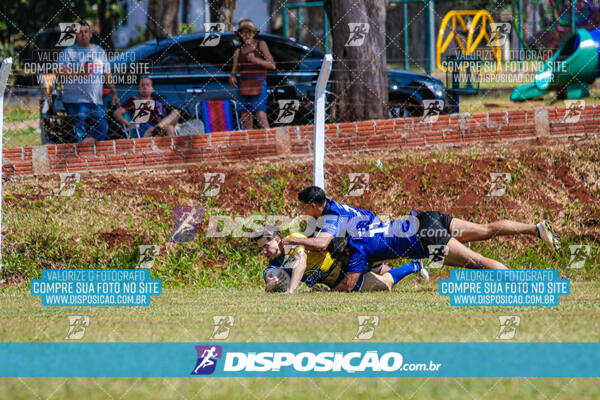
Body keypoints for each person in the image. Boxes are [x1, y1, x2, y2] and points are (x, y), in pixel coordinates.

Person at [283, 186, 561, 273]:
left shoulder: (331, 217)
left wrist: (290, 240)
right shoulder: (345, 208)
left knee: (475, 262)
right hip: (426, 218)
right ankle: (535, 228)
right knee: (487, 230)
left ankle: (517, 285)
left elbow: (321, 245)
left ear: (314, 205)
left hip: (419, 235)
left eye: (303, 208)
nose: (302, 212)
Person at [256, 226, 428, 293]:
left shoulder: (292, 240)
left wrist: (291, 291)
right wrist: (269, 287)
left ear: (277, 240)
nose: (263, 252)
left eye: (265, 246)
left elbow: (301, 263)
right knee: (383, 278)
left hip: (343, 266)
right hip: (334, 279)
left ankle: (414, 265)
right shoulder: (273, 266)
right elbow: (273, 278)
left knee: (386, 283)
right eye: (260, 249)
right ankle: (385, 266)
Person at [57, 21, 119, 143]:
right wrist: (80, 72)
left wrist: (115, 93)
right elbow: (60, 73)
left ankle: (84, 155)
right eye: (80, 32)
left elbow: (107, 73)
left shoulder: (99, 51)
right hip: (76, 102)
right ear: (75, 35)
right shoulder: (68, 53)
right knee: (78, 135)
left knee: (102, 130)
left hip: (96, 101)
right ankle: (82, 159)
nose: (83, 34)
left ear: (91, 34)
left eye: (86, 31)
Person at [230, 19, 276, 130]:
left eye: (249, 32)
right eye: (243, 33)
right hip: (244, 84)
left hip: (259, 83)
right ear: (240, 35)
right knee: (245, 116)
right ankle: (249, 143)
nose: (247, 35)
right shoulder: (238, 51)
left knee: (260, 114)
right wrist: (232, 76)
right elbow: (234, 69)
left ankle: (269, 140)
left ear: (254, 33)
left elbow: (272, 65)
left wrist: (255, 60)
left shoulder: (261, 45)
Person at [113, 77, 180, 137]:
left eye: (147, 85)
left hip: (159, 128)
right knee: (168, 128)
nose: (145, 87)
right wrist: (129, 124)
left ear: (152, 89)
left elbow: (164, 118)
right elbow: (117, 113)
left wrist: (161, 125)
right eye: (142, 85)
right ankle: (158, 129)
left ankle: (159, 129)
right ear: (138, 89)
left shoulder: (158, 102)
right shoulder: (133, 100)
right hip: (144, 130)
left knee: (175, 114)